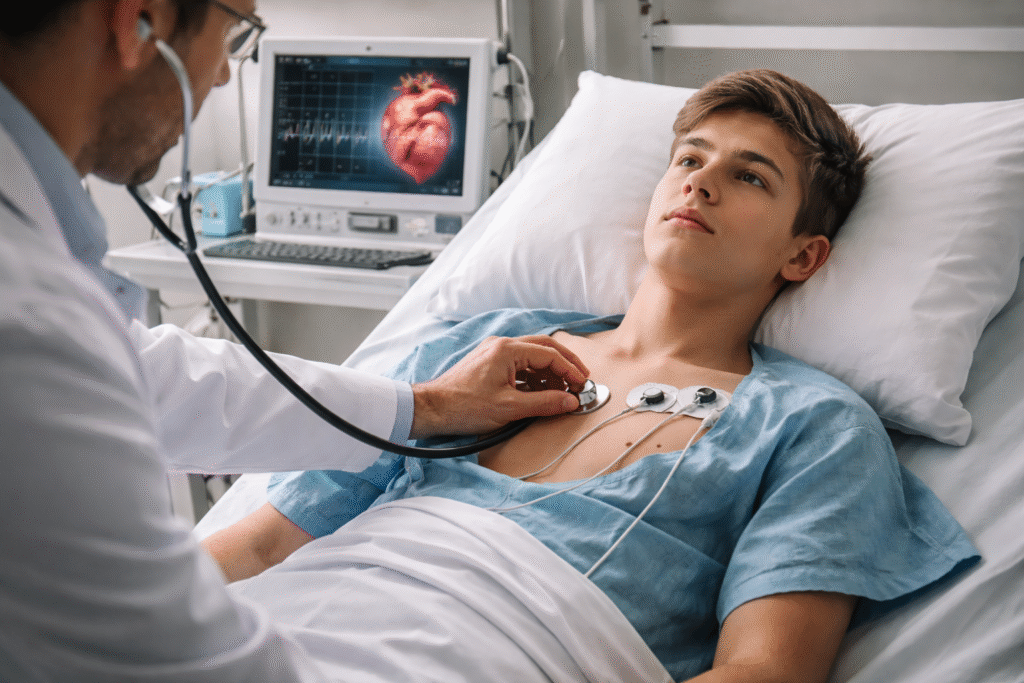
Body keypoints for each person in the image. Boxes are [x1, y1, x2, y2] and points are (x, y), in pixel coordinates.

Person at [205, 70, 980, 682]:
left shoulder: (812, 426)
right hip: (281, 628)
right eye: (689, 158)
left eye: (750, 177)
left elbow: (764, 671)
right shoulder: (478, 348)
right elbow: (267, 544)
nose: (700, 183)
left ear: (803, 254)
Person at [0, 1, 590, 680]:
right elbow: (169, 657)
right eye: (233, 32)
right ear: (142, 21)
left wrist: (421, 406)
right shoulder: (28, 327)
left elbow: (157, 375)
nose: (224, 75)